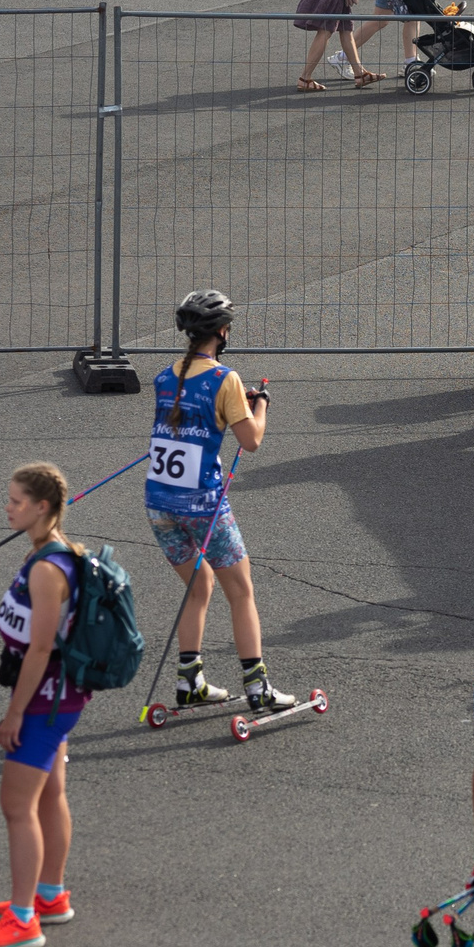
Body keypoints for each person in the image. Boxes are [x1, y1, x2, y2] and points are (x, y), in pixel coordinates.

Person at [150, 289, 296, 714]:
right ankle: (258, 687)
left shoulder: (163, 376)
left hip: (159, 501)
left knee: (199, 587)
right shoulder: (224, 379)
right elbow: (250, 441)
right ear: (222, 332)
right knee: (241, 592)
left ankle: (190, 680)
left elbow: (179, 429)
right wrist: (260, 407)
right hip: (201, 503)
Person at [0, 463, 92, 947]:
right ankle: (50, 895)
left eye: (16, 500)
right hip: (62, 694)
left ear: (42, 507)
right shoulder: (56, 553)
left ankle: (23, 921)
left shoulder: (46, 569)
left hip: (45, 699)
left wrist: (14, 714)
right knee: (50, 794)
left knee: (17, 808)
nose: (8, 506)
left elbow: (39, 650)